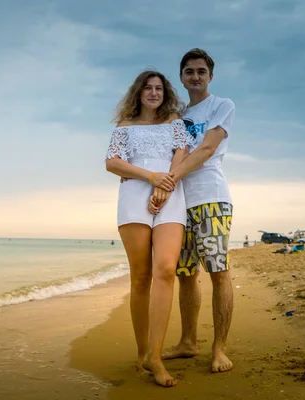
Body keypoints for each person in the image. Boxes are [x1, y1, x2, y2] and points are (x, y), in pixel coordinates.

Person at [149, 48, 236, 373]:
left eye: (201, 71)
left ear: (210, 76)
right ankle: (188, 342)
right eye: (189, 71)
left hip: (210, 198)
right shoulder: (178, 114)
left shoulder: (221, 106)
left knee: (218, 271)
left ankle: (219, 349)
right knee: (185, 274)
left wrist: (168, 178)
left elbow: (207, 148)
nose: (195, 76)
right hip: (178, 203)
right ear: (182, 77)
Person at [105, 70, 194, 387]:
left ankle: (156, 356)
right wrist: (151, 178)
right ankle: (143, 353)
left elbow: (181, 157)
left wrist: (164, 186)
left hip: (171, 195)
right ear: (138, 93)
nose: (154, 92)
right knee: (140, 276)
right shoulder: (124, 127)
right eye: (148, 88)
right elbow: (112, 162)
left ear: (165, 93)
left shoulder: (174, 122)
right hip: (133, 197)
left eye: (159, 88)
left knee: (166, 269)